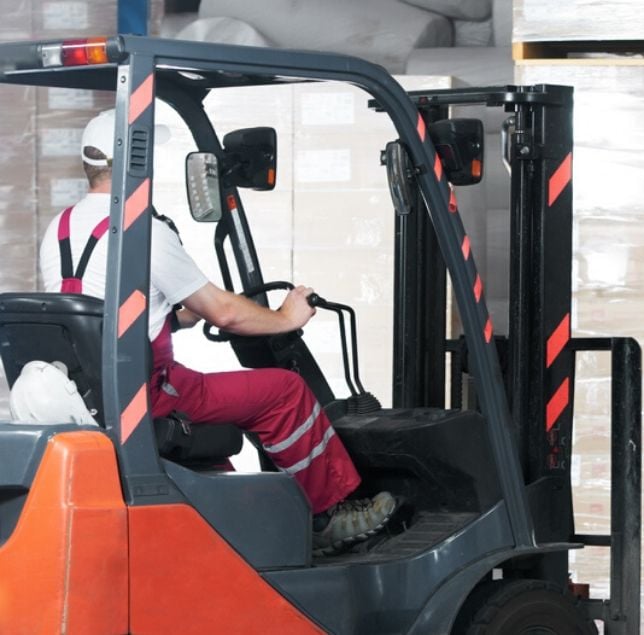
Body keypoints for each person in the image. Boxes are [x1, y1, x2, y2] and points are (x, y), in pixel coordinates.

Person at [38, 109, 395, 556]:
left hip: (93, 391)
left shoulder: (61, 229)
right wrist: (287, 316)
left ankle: (250, 517)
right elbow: (224, 312)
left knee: (229, 397)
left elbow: (103, 315)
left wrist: (176, 318)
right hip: (149, 392)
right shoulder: (139, 230)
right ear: (136, 163)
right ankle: (326, 516)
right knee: (283, 391)